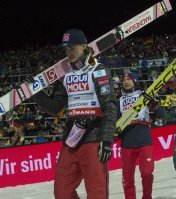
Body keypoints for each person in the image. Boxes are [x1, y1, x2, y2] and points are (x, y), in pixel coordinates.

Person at [26, 29, 118, 199]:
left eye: (72, 48)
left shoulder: (98, 70)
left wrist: (106, 139)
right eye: (66, 49)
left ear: (84, 46)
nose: (68, 53)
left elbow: (110, 106)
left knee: (97, 193)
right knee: (62, 192)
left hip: (94, 138)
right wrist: (35, 93)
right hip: (72, 140)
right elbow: (55, 108)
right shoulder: (67, 76)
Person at [117, 72, 164, 199]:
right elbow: (115, 124)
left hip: (144, 139)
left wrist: (152, 101)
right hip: (127, 142)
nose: (126, 81)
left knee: (147, 173)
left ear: (135, 81)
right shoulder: (120, 101)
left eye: (129, 79)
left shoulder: (143, 96)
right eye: (124, 80)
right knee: (127, 179)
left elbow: (161, 112)